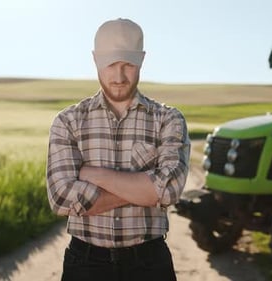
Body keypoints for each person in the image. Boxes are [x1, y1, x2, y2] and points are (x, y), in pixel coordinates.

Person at [46, 18, 190, 281]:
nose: (120, 76)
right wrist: (145, 189)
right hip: (85, 263)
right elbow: (60, 197)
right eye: (111, 64)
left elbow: (169, 190)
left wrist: (92, 174)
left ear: (142, 61)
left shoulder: (168, 119)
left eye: (129, 65)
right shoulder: (68, 121)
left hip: (149, 263)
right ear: (96, 61)